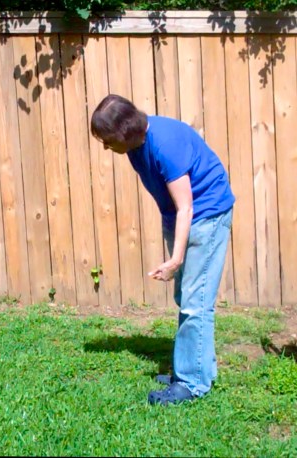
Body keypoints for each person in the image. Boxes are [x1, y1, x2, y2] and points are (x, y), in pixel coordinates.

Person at [90, 94, 235, 406]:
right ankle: (196, 368)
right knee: (188, 298)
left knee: (196, 302)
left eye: (106, 140)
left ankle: (192, 383)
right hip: (180, 216)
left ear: (124, 133)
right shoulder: (136, 145)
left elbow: (187, 207)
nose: (105, 146)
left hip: (205, 214)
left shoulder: (165, 145)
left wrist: (176, 259)